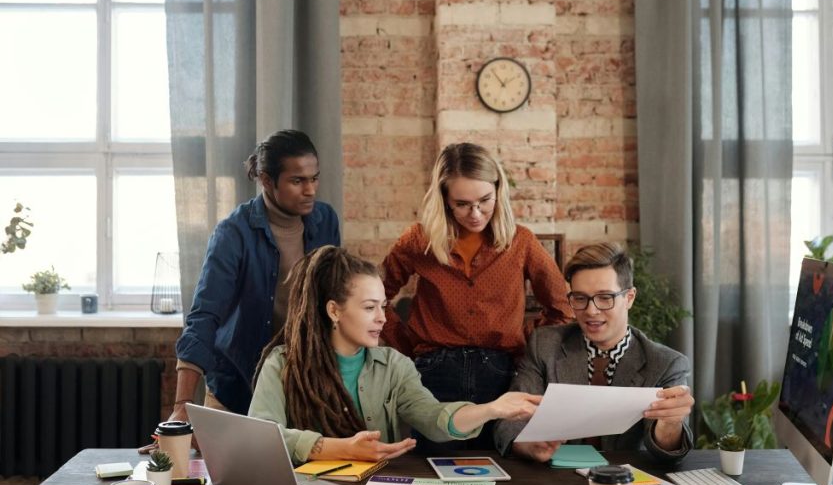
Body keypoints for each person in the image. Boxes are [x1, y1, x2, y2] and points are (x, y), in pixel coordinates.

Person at [248, 246, 541, 463]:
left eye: (383, 305)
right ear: (334, 310)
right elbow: (261, 438)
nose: (382, 318)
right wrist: (340, 448)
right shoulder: (283, 364)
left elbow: (434, 418)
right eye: (369, 307)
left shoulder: (394, 366)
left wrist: (492, 409)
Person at [381, 142, 574, 450]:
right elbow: (377, 298)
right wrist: (407, 346)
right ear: (445, 199)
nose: (475, 213)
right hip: (433, 375)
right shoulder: (418, 241)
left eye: (485, 200)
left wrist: (521, 337)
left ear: (499, 190)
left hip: (499, 375)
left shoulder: (521, 242)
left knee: (501, 471)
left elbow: (562, 308)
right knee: (434, 468)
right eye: (462, 204)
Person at [172, 130, 341, 421]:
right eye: (297, 181)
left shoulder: (325, 221)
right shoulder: (233, 233)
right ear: (266, 180)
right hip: (237, 390)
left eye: (314, 178)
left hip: (304, 390)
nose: (310, 190)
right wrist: (182, 405)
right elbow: (204, 317)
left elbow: (335, 298)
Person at [494, 242, 695, 463]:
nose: (591, 311)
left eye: (605, 298)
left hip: (626, 484)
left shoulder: (666, 363)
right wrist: (527, 445)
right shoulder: (545, 344)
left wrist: (671, 423)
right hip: (553, 482)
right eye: (580, 298)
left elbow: (666, 453)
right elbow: (509, 421)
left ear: (629, 298)